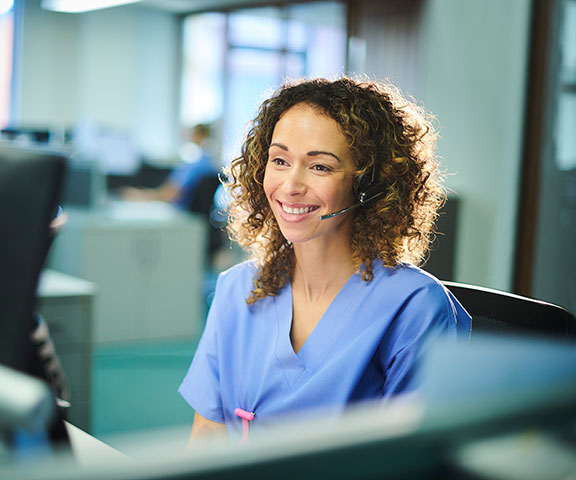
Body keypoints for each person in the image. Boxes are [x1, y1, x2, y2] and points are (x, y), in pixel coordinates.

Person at [178, 77, 472, 445]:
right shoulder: (236, 288)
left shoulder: (414, 307)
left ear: (370, 184)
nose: (290, 186)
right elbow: (206, 435)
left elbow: (413, 462)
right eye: (280, 161)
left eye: (320, 167)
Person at [120, 123, 219, 210]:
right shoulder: (209, 164)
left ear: (198, 135)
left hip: (182, 215)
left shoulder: (194, 166)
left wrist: (143, 196)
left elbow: (170, 194)